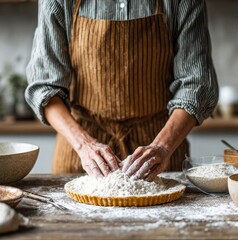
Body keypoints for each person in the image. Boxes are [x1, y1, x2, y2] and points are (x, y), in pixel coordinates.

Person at [26, 0, 218, 181]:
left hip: (159, 156)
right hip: (81, 155)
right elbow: (45, 88)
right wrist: (84, 145)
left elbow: (196, 86)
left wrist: (161, 147)